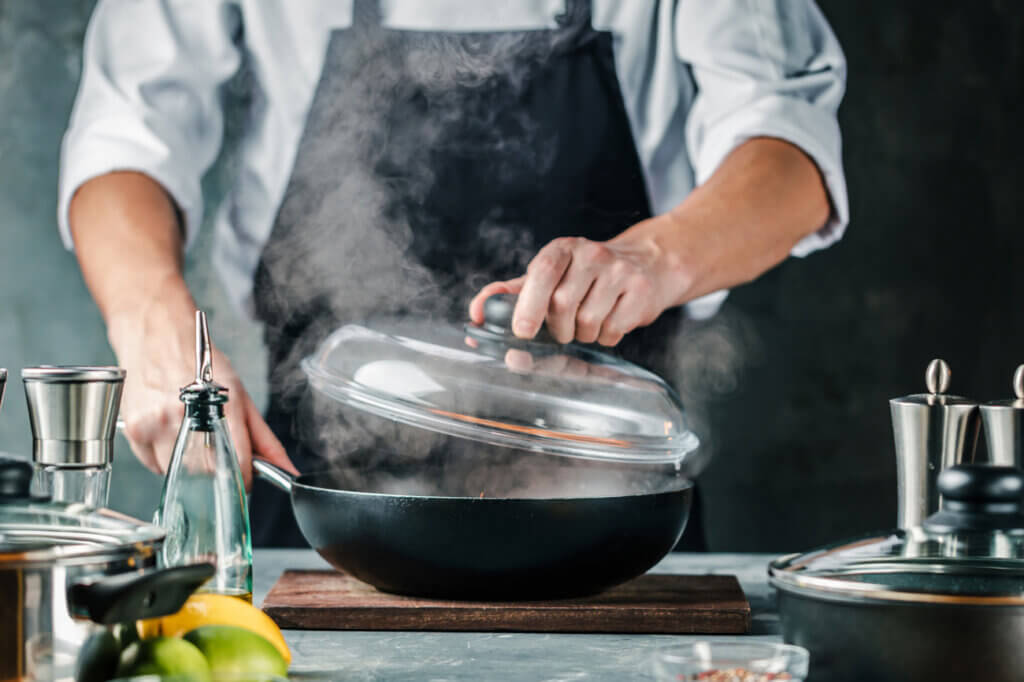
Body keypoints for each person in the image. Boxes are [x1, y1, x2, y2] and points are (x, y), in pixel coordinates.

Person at [60, 0, 848, 548]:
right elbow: (126, 129)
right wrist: (154, 333)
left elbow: (788, 140)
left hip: (611, 516)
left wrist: (655, 256)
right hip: (321, 504)